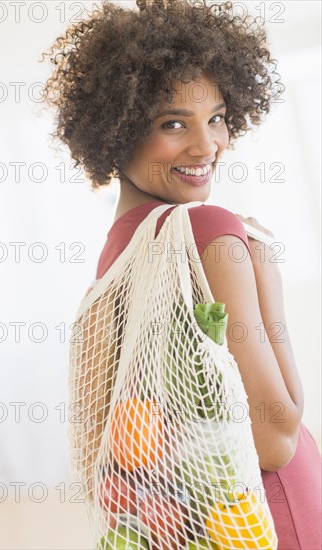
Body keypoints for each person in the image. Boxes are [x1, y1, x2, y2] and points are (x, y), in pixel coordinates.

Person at [41, 0, 322, 548]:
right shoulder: (210, 231)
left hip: (206, 522)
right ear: (115, 131)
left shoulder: (116, 254)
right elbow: (276, 438)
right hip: (270, 514)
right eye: (173, 123)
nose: (206, 146)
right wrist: (263, 266)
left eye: (215, 117)